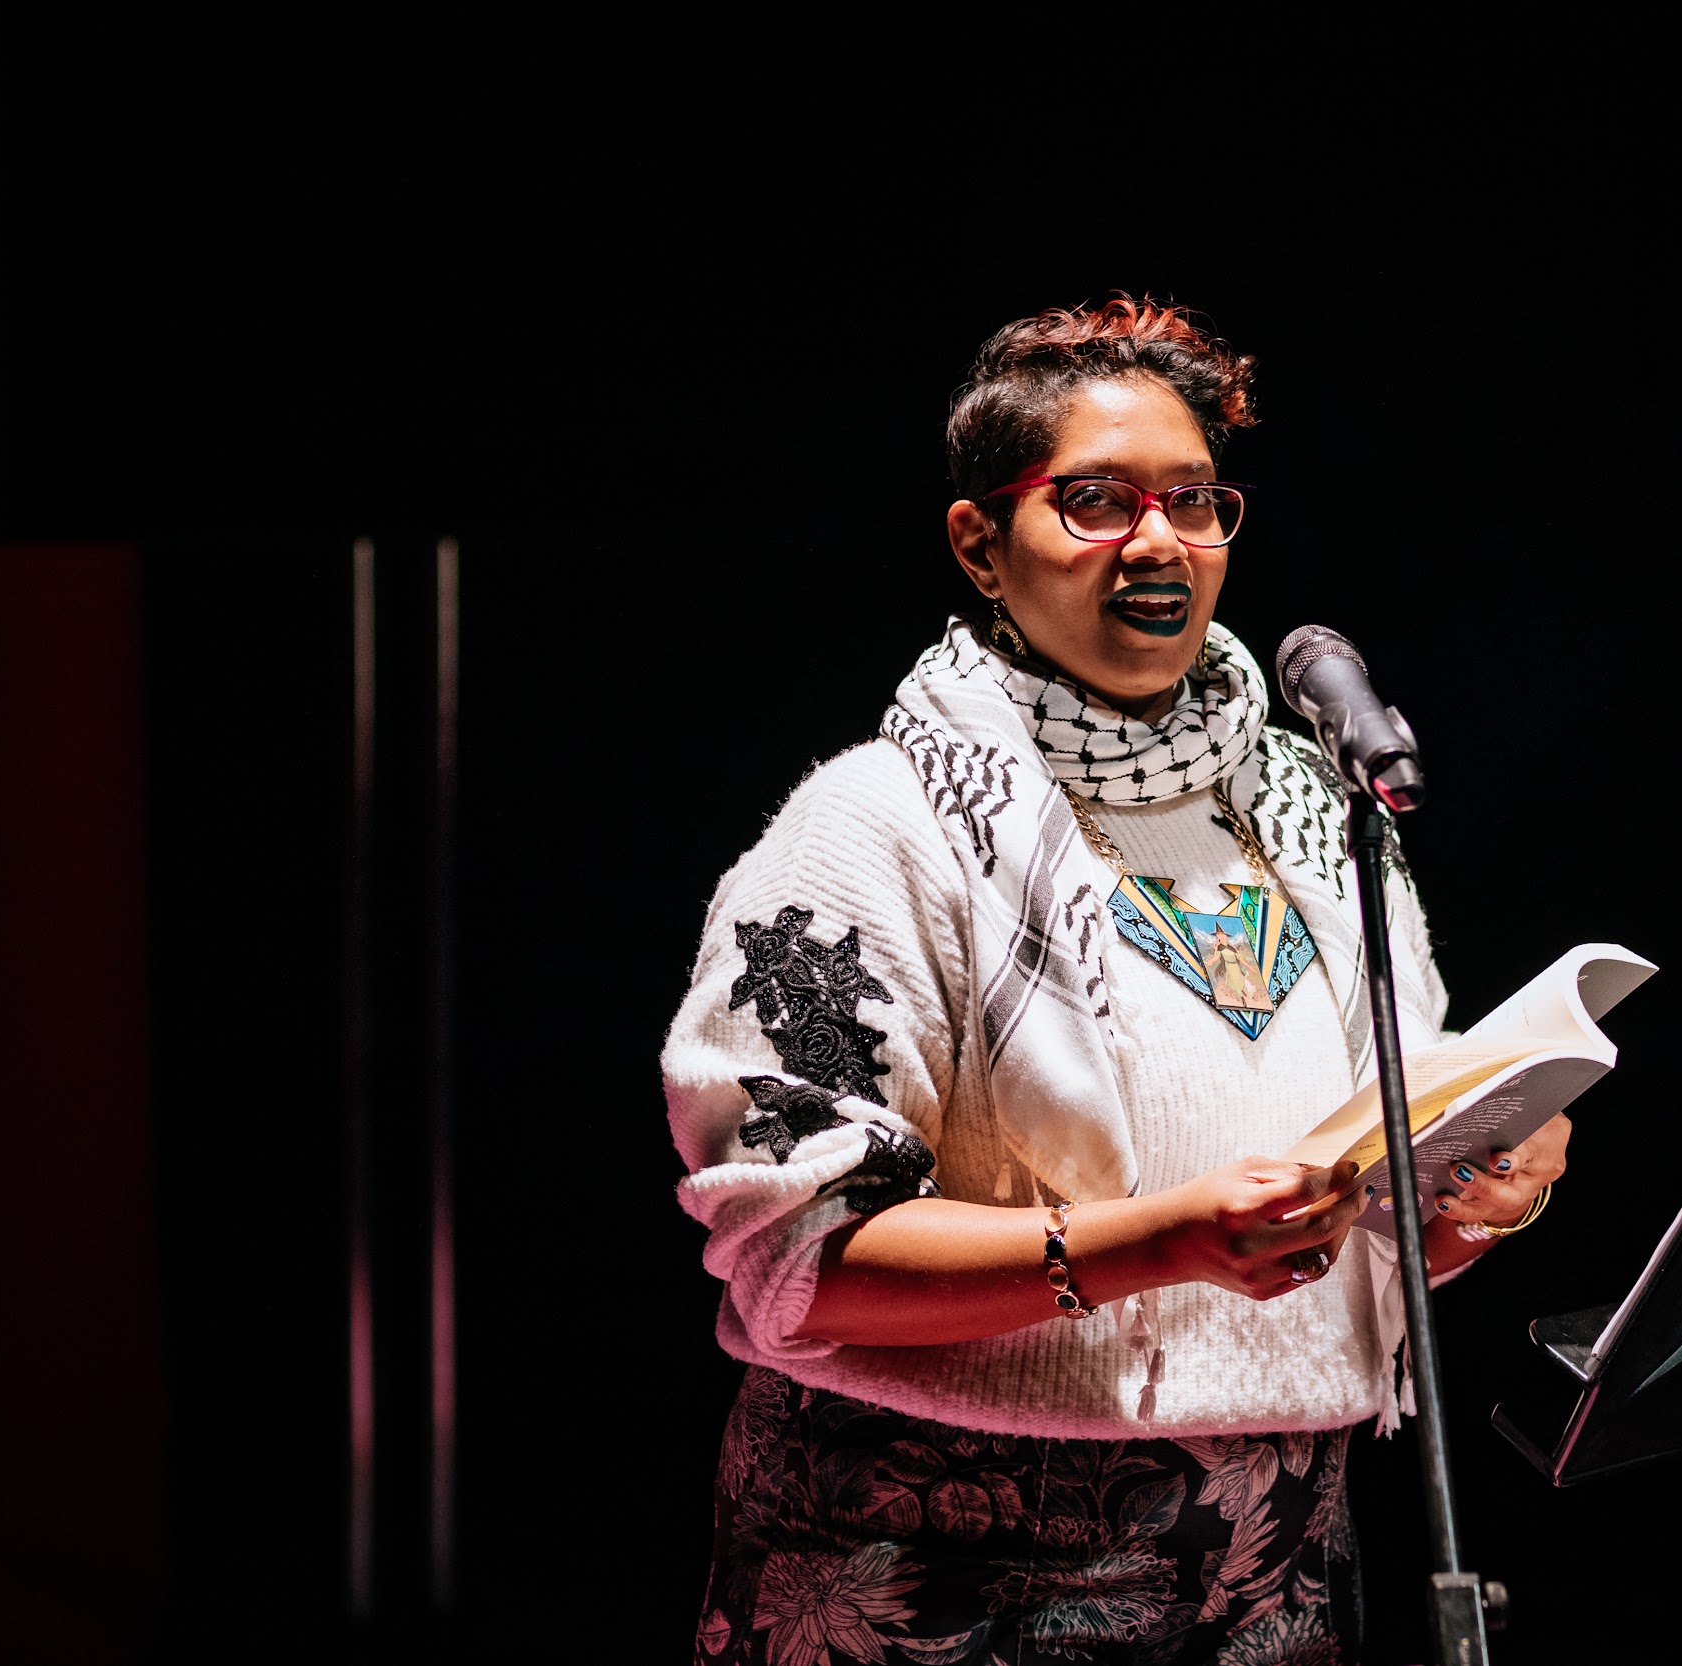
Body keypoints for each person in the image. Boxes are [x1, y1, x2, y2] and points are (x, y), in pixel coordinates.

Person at [663, 298, 1567, 1665]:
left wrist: (1475, 1198)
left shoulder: (1321, 822)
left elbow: (1359, 1241)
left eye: (1195, 502)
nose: (1158, 541)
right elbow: (800, 1257)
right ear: (982, 540)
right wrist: (1163, 1241)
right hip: (936, 1576)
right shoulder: (876, 826)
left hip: (1278, 1571)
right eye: (1095, 500)